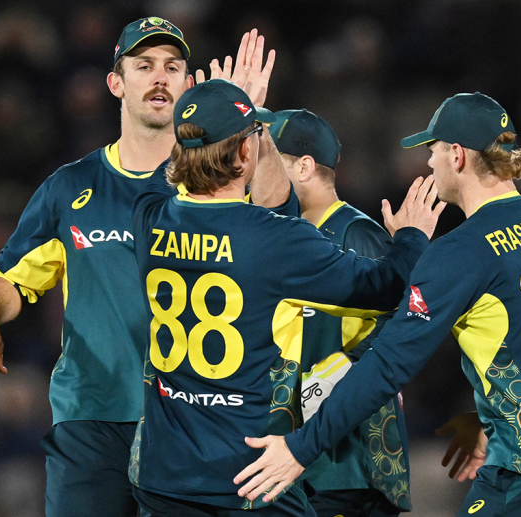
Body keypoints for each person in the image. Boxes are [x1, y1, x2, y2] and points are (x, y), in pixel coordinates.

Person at [0, 19, 280, 516]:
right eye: (143, 66)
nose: (160, 77)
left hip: (195, 419)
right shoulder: (69, 187)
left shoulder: (217, 177)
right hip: (91, 420)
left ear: (188, 84)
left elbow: (277, 209)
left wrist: (250, 122)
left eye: (172, 66)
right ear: (116, 83)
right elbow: (12, 276)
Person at [235, 92, 521, 517]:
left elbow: (389, 363)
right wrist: (491, 419)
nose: (428, 164)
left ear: (457, 155)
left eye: (432, 151)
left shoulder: (465, 249)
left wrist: (300, 448)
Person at [129, 79, 441, 516]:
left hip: (163, 475)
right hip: (245, 476)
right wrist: (412, 236)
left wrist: (206, 119)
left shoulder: (148, 217)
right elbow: (385, 288)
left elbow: (160, 175)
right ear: (244, 155)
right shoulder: (275, 240)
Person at [270, 108, 411, 516]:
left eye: (269, 159)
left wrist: (346, 364)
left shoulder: (356, 233)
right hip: (302, 457)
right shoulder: (281, 233)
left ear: (304, 166)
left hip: (350, 462)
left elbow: (407, 323)